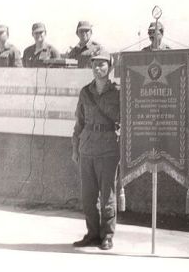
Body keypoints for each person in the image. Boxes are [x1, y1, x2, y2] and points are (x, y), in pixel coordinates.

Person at [71, 49, 120, 250]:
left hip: (108, 147)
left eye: (102, 64)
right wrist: (75, 148)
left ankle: (107, 235)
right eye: (94, 64)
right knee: (88, 195)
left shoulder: (118, 92)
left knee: (107, 194)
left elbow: (126, 119)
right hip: (87, 147)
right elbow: (79, 123)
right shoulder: (85, 92)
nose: (97, 68)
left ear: (110, 67)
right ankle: (92, 234)